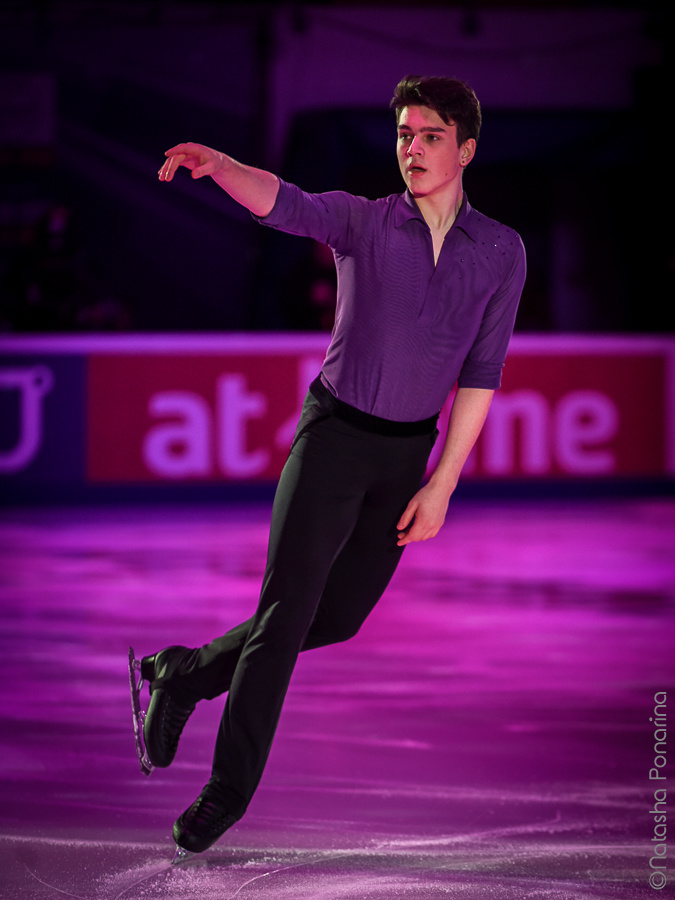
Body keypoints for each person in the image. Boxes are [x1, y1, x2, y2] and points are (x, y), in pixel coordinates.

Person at [136, 74, 526, 859]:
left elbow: (480, 375)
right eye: (403, 135)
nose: (411, 149)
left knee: (336, 618)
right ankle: (226, 794)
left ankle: (183, 674)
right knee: (284, 618)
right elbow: (286, 202)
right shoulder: (364, 221)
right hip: (334, 438)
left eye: (429, 137)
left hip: (407, 453)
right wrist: (222, 164)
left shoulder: (501, 252)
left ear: (467, 149)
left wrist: (441, 482)